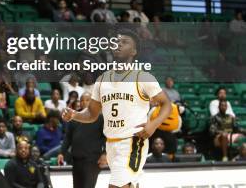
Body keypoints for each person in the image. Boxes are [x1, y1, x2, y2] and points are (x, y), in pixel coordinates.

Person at [62, 28, 172, 188]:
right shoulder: (102, 79)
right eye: (117, 42)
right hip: (111, 143)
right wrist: (74, 115)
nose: (119, 45)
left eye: (124, 42)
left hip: (132, 141)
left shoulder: (143, 78)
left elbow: (166, 104)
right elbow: (92, 114)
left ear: (134, 51)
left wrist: (153, 125)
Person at [57, 92, 105, 188]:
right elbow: (67, 138)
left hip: (92, 160)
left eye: (87, 100)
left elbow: (107, 137)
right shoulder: (74, 116)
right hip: (76, 159)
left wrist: (105, 154)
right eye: (82, 100)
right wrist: (61, 152)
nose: (84, 102)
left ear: (92, 102)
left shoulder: (100, 117)